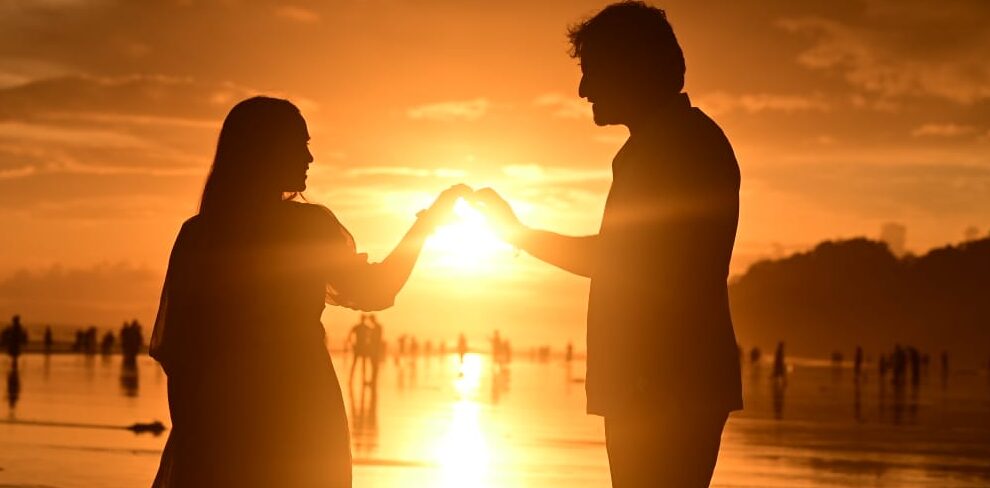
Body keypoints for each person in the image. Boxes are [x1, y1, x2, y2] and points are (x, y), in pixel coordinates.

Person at [468, 3, 741, 486]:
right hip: (668, 377)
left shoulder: (673, 149)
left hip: (662, 380)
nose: (583, 89)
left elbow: (622, 261)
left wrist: (519, 235)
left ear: (633, 68)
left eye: (592, 72)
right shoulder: (674, 142)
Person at [148, 96, 468, 487]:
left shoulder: (197, 234)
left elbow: (180, 358)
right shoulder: (306, 228)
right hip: (300, 413)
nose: (310, 158)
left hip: (218, 425)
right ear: (266, 150)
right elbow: (377, 290)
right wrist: (427, 224)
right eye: (300, 144)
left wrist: (196, 442)